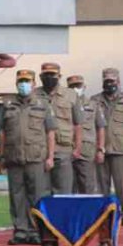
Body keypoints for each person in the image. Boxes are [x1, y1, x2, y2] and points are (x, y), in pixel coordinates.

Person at [0, 69, 56, 245]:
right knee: (16, 196)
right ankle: (20, 231)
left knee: (36, 195)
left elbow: (50, 132)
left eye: (27, 81)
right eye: (21, 81)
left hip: (36, 157)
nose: (24, 85)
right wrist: (2, 154)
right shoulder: (8, 104)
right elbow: (1, 131)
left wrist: (50, 157)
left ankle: (35, 230)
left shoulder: (43, 104)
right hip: (13, 157)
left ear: (34, 84)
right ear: (16, 84)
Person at [93, 67, 123, 226]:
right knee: (102, 184)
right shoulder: (95, 100)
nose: (109, 84)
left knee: (122, 184)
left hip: (121, 148)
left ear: (118, 81)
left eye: (112, 81)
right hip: (101, 148)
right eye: (106, 81)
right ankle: (103, 214)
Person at [34, 62, 82, 195]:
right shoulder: (34, 94)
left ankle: (62, 216)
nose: (49, 77)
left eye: (52, 75)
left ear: (59, 76)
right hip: (40, 149)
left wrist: (77, 148)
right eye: (46, 75)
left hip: (64, 149)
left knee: (63, 191)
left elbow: (78, 124)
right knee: (40, 191)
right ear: (40, 76)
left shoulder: (71, 95)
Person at [67, 74, 106, 193]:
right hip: (67, 149)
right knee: (68, 188)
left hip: (87, 151)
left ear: (84, 86)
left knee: (87, 186)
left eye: (78, 85)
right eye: (72, 86)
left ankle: (88, 211)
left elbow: (101, 127)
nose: (75, 89)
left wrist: (100, 150)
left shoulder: (93, 104)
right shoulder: (63, 104)